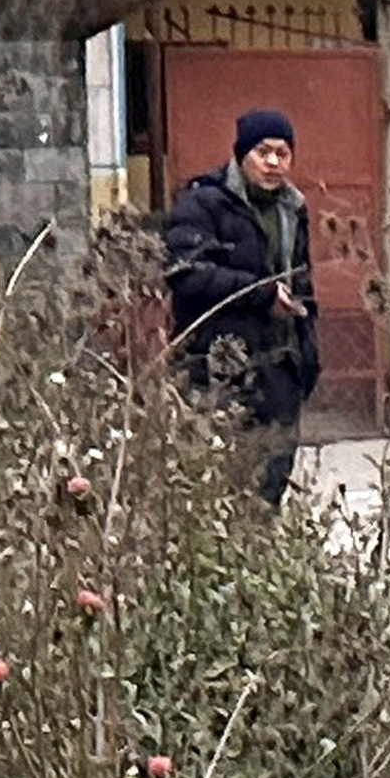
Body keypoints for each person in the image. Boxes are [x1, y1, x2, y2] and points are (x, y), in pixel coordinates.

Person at [157, 107, 322, 506]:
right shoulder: (203, 203)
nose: (272, 163)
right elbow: (185, 273)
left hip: (280, 369)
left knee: (271, 486)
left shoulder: (292, 209)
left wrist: (308, 358)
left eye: (282, 153)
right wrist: (260, 293)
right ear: (241, 154)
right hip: (218, 368)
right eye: (262, 152)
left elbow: (302, 281)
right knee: (217, 486)